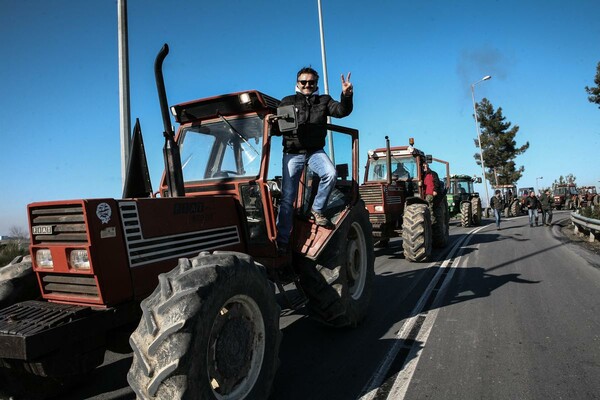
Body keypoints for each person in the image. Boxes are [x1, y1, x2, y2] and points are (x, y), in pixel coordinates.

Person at [275, 66, 353, 254]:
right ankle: (282, 241)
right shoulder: (287, 101)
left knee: (330, 173)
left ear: (316, 83)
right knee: (287, 198)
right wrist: (272, 123)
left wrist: (346, 95)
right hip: (293, 152)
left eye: (311, 82)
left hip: (315, 151)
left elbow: (341, 111)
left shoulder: (324, 100)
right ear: (297, 83)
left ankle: (317, 210)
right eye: (304, 82)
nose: (307, 85)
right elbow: (278, 128)